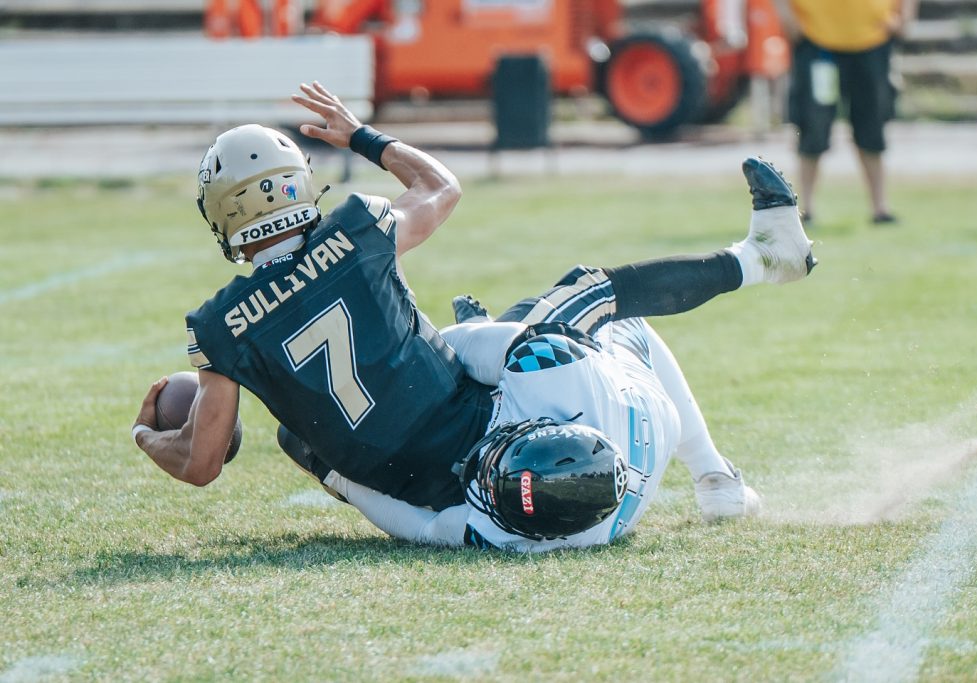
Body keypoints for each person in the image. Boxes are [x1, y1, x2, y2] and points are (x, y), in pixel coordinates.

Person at [132, 81, 815, 521]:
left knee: (295, 431)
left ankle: (716, 478)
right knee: (589, 297)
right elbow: (441, 186)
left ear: (221, 214)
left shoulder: (217, 326)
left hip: (430, 499)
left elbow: (200, 462)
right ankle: (763, 260)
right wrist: (362, 136)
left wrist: (148, 437)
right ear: (298, 183)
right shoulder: (357, 229)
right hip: (493, 434)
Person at [278, 160, 818, 551]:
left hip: (629, 437)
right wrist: (336, 472)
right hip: (624, 393)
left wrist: (336, 471)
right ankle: (762, 261)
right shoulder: (562, 375)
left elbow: (421, 526)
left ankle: (717, 476)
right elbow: (423, 523)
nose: (476, 473)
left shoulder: (499, 529)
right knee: (606, 306)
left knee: (555, 313)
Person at [772, 0, 918, 225]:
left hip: (873, 37)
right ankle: (805, 209)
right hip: (816, 39)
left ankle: (880, 208)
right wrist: (787, 16)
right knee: (813, 124)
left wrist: (905, 15)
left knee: (872, 124)